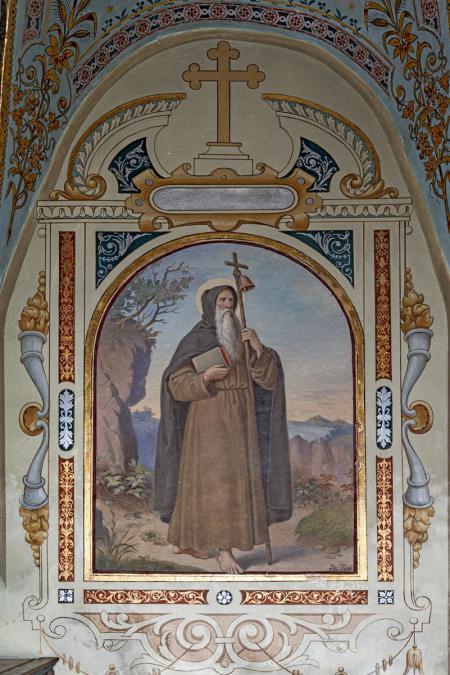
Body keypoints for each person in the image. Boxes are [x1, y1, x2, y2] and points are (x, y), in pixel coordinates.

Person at [153, 284, 292, 574]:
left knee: (235, 479)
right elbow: (175, 384)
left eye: (231, 300)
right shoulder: (198, 338)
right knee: (217, 481)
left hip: (242, 417)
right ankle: (223, 551)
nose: (228, 305)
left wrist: (258, 346)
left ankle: (197, 540)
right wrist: (205, 377)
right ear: (210, 305)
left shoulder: (242, 336)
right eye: (222, 300)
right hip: (208, 417)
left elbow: (267, 378)